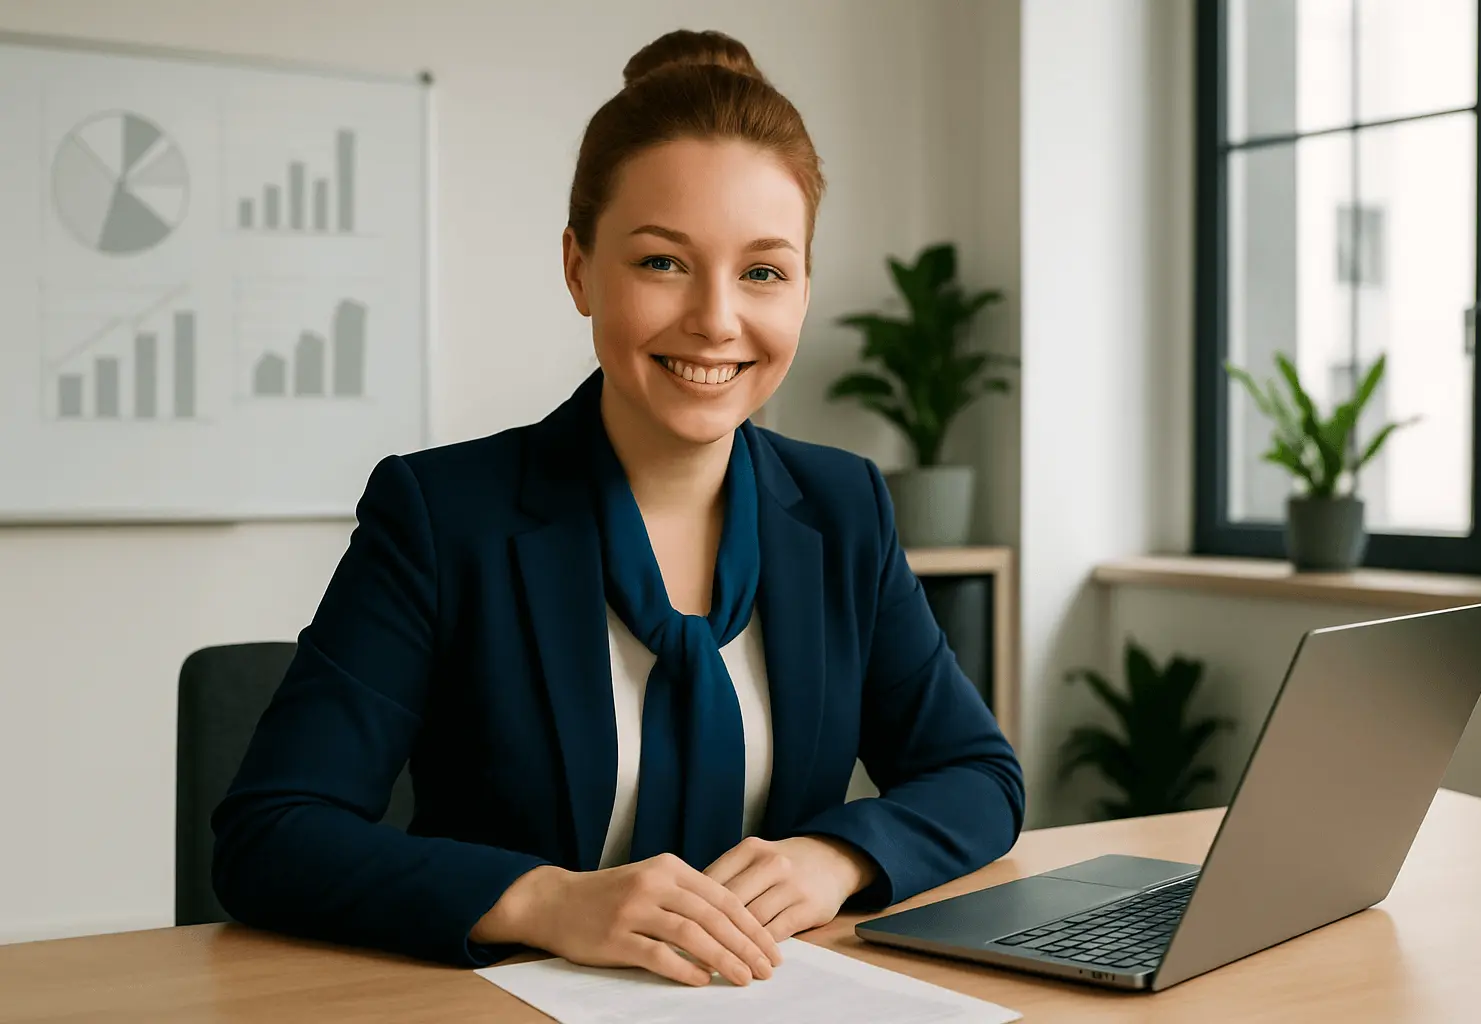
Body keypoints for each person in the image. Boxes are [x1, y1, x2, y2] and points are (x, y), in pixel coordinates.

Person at [211, 28, 1025, 987]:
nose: (717, 319)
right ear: (578, 269)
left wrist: (835, 857)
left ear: (803, 288)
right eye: (663, 263)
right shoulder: (442, 515)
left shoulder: (844, 507)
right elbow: (271, 834)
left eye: (763, 271)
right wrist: (546, 900)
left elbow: (980, 778)